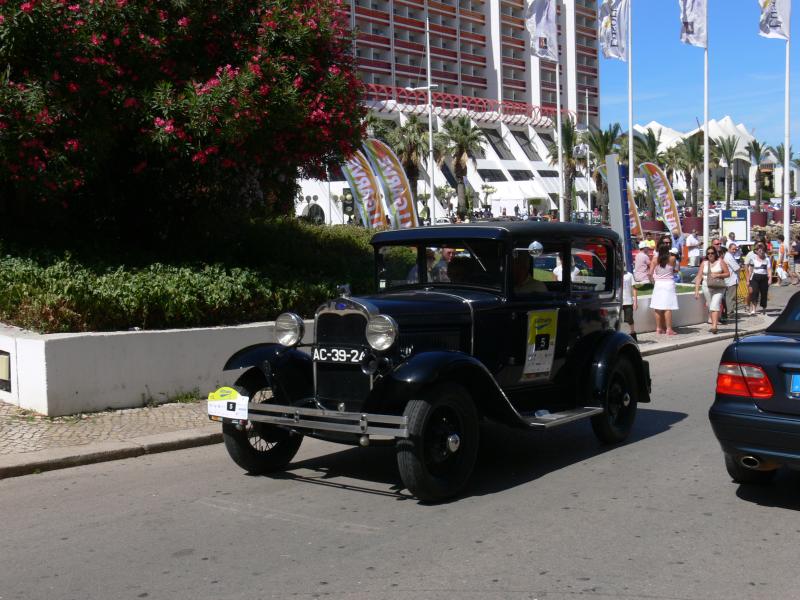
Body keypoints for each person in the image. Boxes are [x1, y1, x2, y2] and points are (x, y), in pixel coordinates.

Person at [695, 244, 730, 334]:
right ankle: (714, 324)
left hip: (718, 286)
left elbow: (727, 273)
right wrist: (696, 291)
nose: (710, 254)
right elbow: (699, 276)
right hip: (706, 286)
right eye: (708, 253)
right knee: (711, 306)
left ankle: (714, 326)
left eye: (712, 253)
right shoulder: (704, 263)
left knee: (715, 304)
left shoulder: (720, 261)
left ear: (715, 253)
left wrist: (718, 275)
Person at [649, 243, 680, 335]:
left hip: (658, 284)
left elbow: (650, 273)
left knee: (657, 307)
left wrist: (653, 281)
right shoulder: (672, 259)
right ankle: (669, 329)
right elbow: (674, 270)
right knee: (668, 307)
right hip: (669, 284)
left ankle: (658, 328)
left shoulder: (654, 259)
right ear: (668, 251)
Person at [746, 242, 772, 315]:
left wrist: (770, 279)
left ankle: (764, 308)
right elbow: (750, 270)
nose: (761, 252)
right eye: (759, 250)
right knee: (754, 293)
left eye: (762, 250)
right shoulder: (753, 259)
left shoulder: (767, 259)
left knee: (764, 293)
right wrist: (748, 280)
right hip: (755, 277)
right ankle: (754, 309)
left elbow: (769, 269)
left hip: (764, 277)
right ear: (756, 251)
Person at [721, 241, 741, 323]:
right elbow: (737, 268)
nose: (734, 251)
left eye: (735, 249)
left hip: (731, 279)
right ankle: (730, 313)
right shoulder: (729, 256)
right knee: (730, 297)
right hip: (731, 280)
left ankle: (730, 311)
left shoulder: (730, 256)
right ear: (729, 249)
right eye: (733, 249)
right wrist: (740, 266)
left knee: (730, 297)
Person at [622, 270, 638, 341]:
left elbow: (634, 288)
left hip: (627, 301)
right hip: (616, 300)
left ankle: (633, 334)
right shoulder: (614, 275)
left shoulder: (629, 275)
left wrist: (635, 302)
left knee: (629, 318)